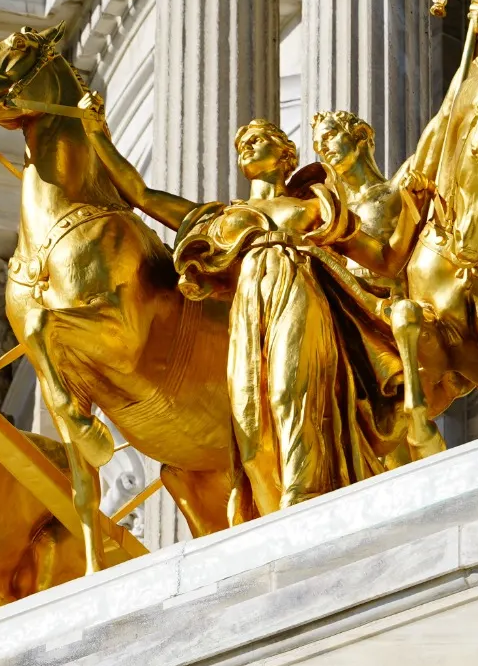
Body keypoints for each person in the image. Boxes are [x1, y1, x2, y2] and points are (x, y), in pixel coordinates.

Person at [171, 119, 437, 517]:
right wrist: (94, 137)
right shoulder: (223, 219)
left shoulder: (314, 207)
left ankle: (303, 497)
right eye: (241, 142)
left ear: (285, 154)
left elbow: (384, 260)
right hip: (248, 307)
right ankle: (269, 516)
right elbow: (145, 196)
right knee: (249, 421)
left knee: (289, 392)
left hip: (298, 287)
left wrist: (413, 211)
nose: (244, 146)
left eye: (256, 140)